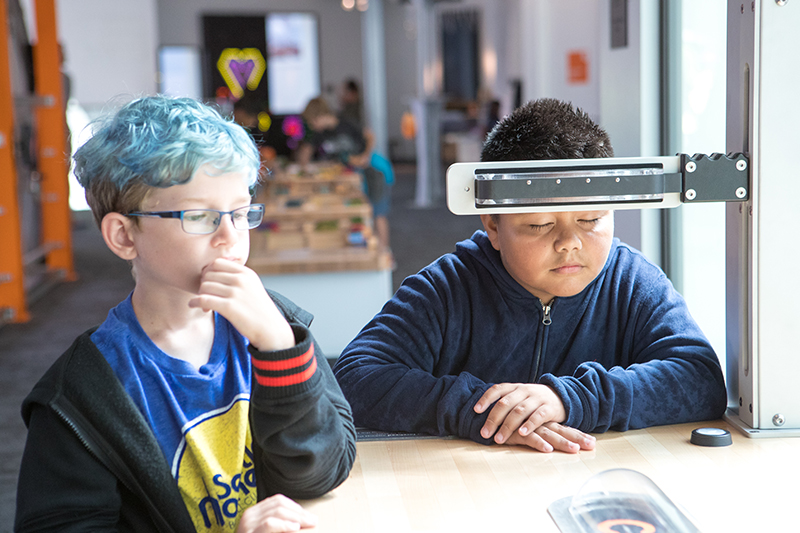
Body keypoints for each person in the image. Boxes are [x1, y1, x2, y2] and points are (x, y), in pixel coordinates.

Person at [15, 95, 356, 532]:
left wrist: (280, 350)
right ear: (123, 235)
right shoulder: (82, 393)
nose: (230, 237)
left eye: (239, 212)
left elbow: (324, 470)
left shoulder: (274, 324)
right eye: (199, 216)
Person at [333, 98, 727, 453]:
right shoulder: (448, 287)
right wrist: (490, 412)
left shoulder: (631, 281)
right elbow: (354, 378)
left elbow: (700, 377)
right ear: (492, 226)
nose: (569, 242)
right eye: (540, 225)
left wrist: (571, 400)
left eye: (591, 219)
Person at [298, 96, 393, 254]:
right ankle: (370, 250)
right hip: (356, 176)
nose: (312, 126)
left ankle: (385, 254)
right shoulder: (321, 133)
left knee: (378, 213)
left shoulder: (346, 122)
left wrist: (365, 155)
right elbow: (306, 152)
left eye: (313, 122)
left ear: (319, 116)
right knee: (362, 213)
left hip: (375, 170)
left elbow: (370, 136)